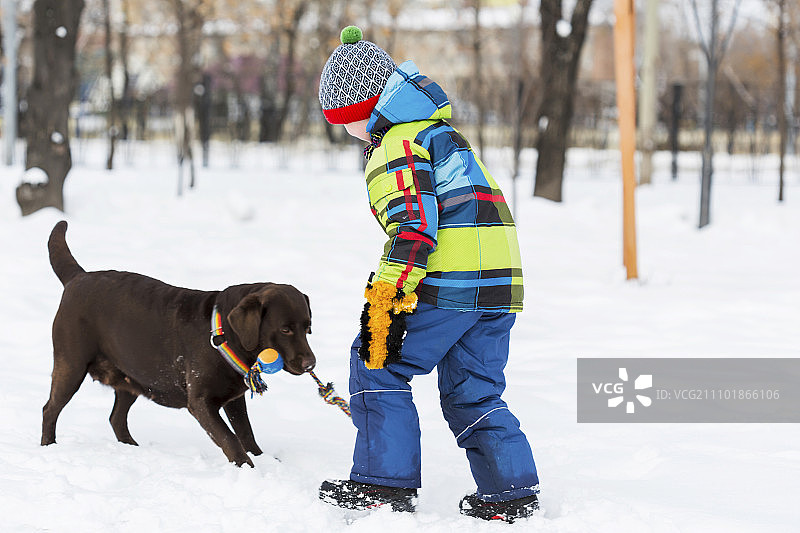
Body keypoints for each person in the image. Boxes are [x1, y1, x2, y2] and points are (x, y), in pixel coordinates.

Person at [317, 26, 540, 523]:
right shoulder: (438, 133)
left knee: (377, 361)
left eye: (341, 120)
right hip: (499, 286)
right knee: (474, 389)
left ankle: (382, 485)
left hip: (447, 285)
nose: (345, 131)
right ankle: (511, 493)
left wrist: (386, 296)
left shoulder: (394, 144)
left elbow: (414, 227)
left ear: (357, 110)